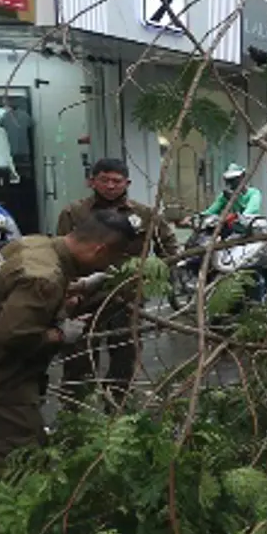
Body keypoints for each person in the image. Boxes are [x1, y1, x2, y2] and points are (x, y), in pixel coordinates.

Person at [0, 210, 138, 478]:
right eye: (110, 259)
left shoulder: (31, 245)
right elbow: (12, 333)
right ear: (100, 249)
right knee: (19, 482)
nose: (106, 266)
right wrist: (60, 335)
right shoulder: (43, 278)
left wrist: (74, 293)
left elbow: (13, 299)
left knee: (3, 478)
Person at [55, 158, 178, 400]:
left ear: (127, 183)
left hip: (127, 298)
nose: (111, 186)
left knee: (125, 356)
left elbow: (170, 247)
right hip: (85, 298)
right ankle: (77, 416)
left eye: (117, 181)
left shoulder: (144, 214)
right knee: (80, 358)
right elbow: (62, 253)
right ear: (92, 181)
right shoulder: (74, 213)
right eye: (104, 180)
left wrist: (156, 274)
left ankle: (119, 411)